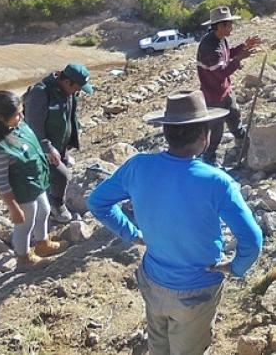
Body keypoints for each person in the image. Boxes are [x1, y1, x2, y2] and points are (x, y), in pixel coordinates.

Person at [87, 90, 263, 355]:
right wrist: (235, 268)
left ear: (166, 131)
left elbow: (97, 202)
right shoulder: (217, 182)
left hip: (152, 280)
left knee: (158, 346)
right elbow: (252, 240)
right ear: (204, 136)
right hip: (197, 290)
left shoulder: (138, 166)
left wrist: (132, 234)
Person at [0, 87, 68, 270]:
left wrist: (46, 152)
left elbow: (33, 145)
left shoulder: (19, 127)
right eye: (17, 114)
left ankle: (42, 243)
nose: (22, 116)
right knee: (25, 224)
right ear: (1, 119)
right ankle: (23, 257)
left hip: (36, 183)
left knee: (44, 210)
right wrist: (14, 208)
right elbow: (2, 184)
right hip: (21, 193)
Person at [24, 63, 93, 223]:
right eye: (77, 87)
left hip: (60, 145)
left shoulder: (68, 91)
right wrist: (47, 148)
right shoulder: (41, 93)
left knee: (59, 172)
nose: (78, 91)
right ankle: (56, 205)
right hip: (42, 148)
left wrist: (73, 135)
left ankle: (48, 195)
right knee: (62, 175)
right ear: (67, 81)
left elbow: (70, 115)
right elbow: (33, 126)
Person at [196, 6, 261, 166]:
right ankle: (208, 160)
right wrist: (239, 59)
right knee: (216, 132)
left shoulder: (220, 39)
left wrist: (243, 47)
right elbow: (221, 72)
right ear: (220, 26)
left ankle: (243, 144)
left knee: (234, 116)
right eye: (229, 25)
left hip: (224, 90)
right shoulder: (209, 47)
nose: (232, 27)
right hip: (213, 96)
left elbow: (228, 54)